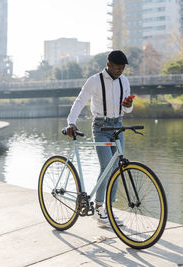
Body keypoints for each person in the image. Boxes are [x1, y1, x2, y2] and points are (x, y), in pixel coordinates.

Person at [65, 50, 133, 227]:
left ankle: (108, 209)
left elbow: (127, 110)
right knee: (106, 167)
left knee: (117, 167)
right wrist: (71, 122)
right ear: (109, 64)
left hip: (118, 125)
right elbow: (80, 101)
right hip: (101, 127)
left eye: (123, 68)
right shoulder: (94, 81)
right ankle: (99, 208)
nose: (120, 71)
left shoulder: (124, 81)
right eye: (117, 67)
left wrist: (128, 105)